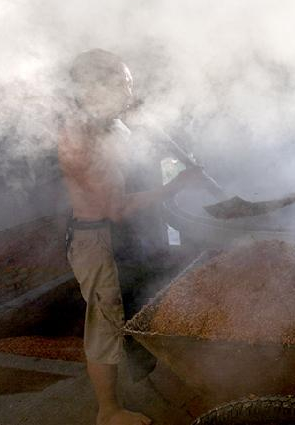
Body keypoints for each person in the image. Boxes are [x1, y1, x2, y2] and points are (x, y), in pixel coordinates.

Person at [58, 49, 213, 425]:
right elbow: (116, 208)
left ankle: (148, 376)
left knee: (140, 303)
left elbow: (139, 158)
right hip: (97, 240)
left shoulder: (109, 124)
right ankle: (108, 411)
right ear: (96, 87)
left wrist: (176, 158)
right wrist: (175, 186)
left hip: (121, 237)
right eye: (123, 84)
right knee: (106, 321)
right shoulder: (81, 138)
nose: (131, 91)